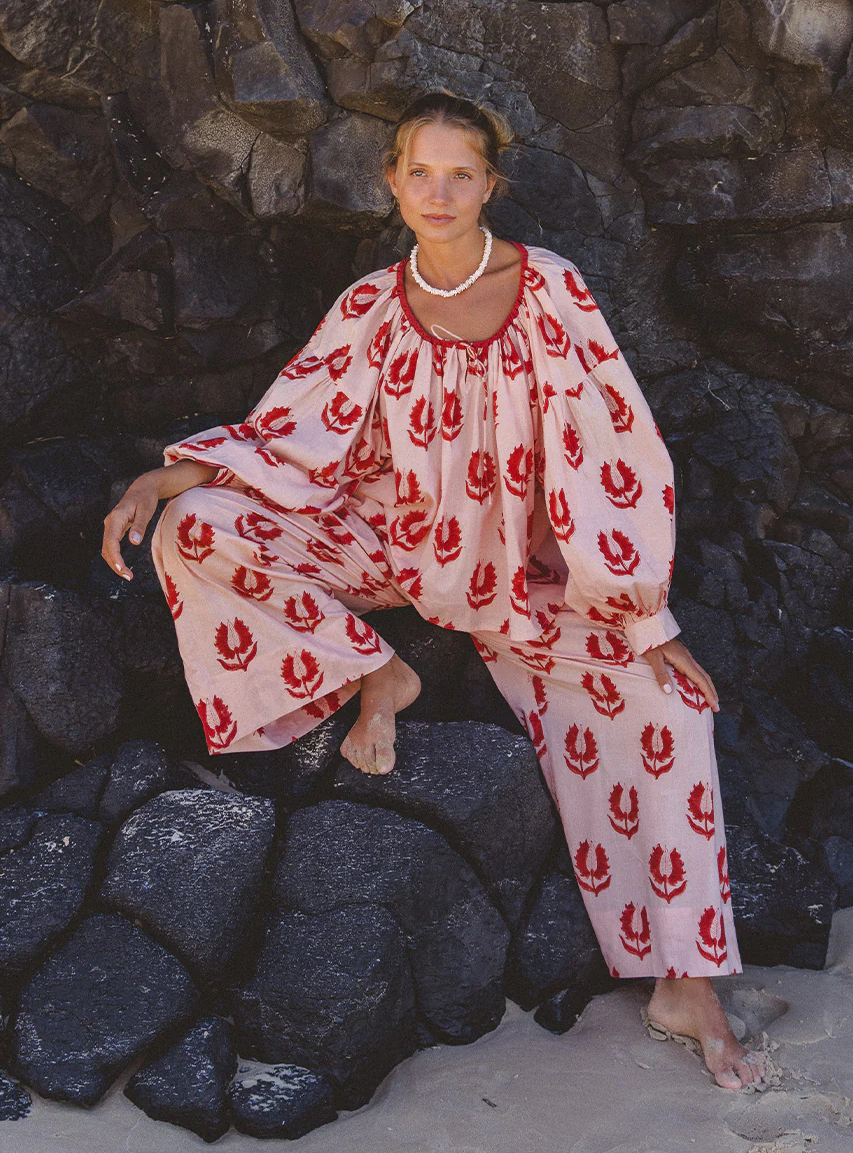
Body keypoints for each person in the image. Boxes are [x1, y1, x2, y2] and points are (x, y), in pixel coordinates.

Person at [101, 90, 767, 1091]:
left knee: (667, 706)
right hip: (384, 544)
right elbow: (290, 433)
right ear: (392, 183)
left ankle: (685, 982)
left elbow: (610, 450)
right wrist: (167, 478)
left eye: (461, 173)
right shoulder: (371, 305)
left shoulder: (549, 288)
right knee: (196, 525)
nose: (440, 192)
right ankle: (376, 670)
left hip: (518, 577)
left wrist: (644, 614)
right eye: (421, 172)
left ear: (491, 183)